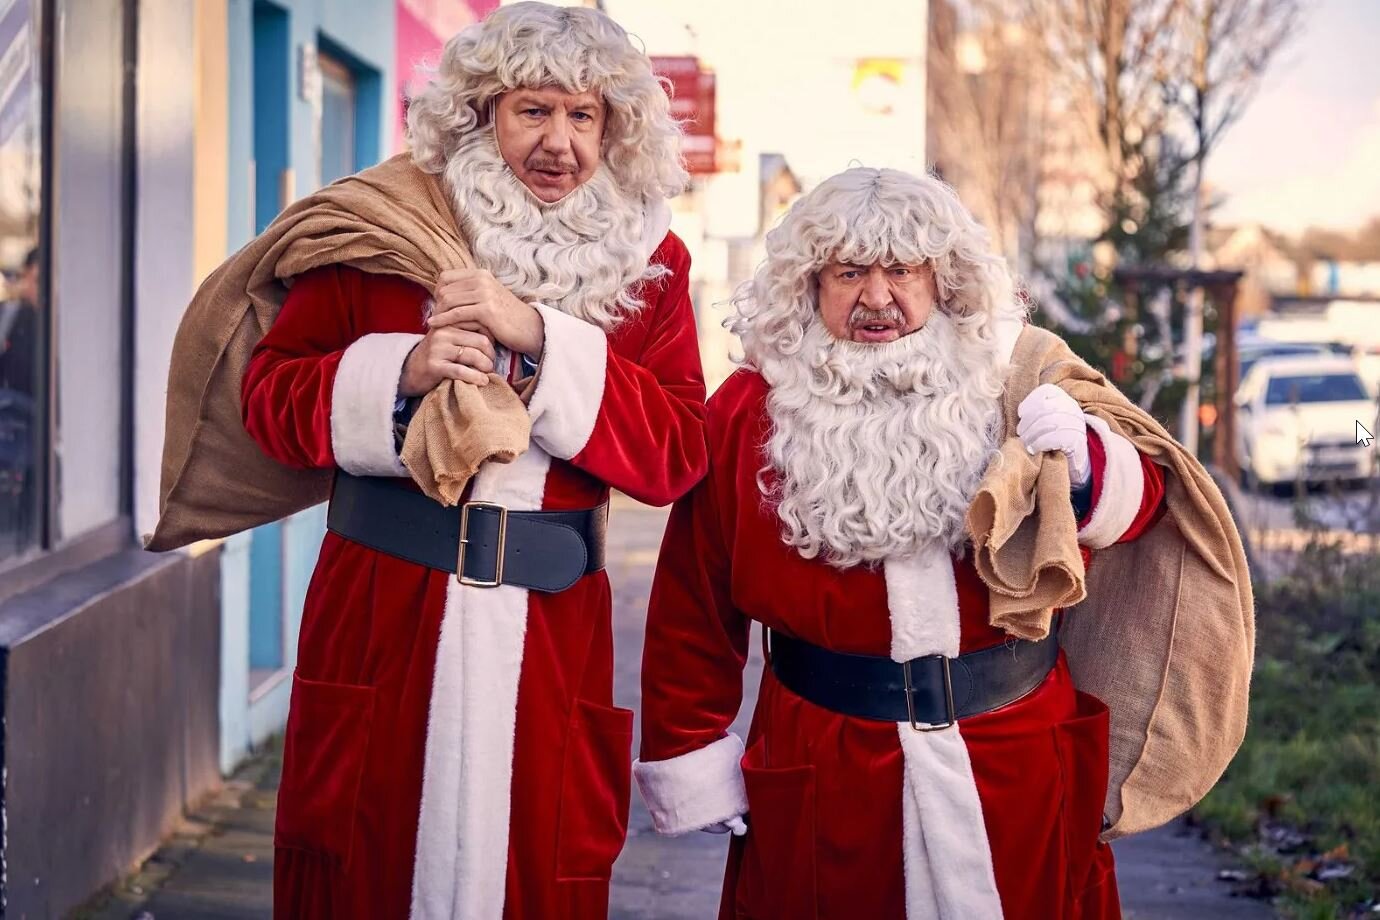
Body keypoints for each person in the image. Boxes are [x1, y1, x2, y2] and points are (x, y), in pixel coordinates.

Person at [633, 168, 1252, 919]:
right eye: (849, 272)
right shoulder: (749, 407)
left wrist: (1087, 462)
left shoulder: (1016, 375)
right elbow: (693, 596)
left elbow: (1146, 505)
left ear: (943, 279)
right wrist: (688, 745)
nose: (877, 298)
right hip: (823, 762)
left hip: (1015, 753)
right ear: (809, 283)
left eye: (902, 270)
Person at [239, 4, 705, 917]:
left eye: (583, 115)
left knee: (536, 871)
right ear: (481, 113)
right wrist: (399, 373)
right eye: (534, 110)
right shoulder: (383, 229)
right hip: (380, 615)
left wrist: (540, 339)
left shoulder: (653, 262)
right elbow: (268, 402)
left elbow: (677, 455)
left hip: (552, 638)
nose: (560, 144)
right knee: (361, 868)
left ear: (614, 128)